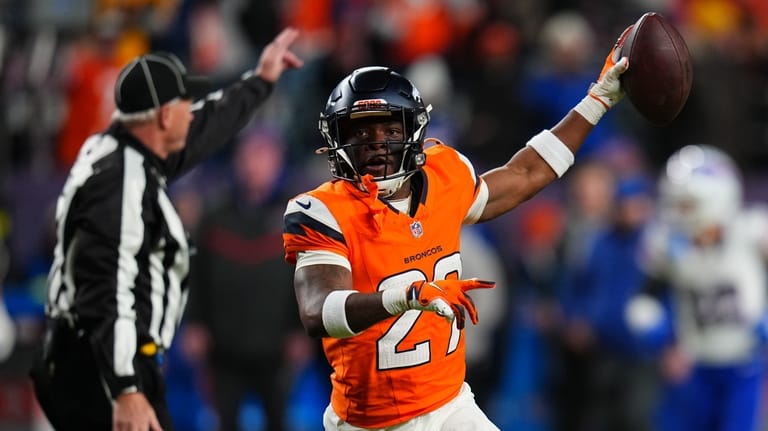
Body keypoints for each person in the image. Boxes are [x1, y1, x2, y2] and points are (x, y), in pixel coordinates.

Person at [282, 29, 631, 430]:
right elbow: (318, 312)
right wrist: (407, 296)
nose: (376, 145)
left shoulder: (444, 174)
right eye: (360, 133)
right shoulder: (323, 209)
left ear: (413, 132)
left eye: (390, 131)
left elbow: (526, 171)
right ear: (335, 139)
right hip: (370, 422)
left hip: (449, 405)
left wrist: (597, 101)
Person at [29, 28, 303, 431]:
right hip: (102, 369)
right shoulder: (118, 182)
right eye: (183, 102)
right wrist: (126, 389)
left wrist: (259, 82)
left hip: (99, 360)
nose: (190, 110)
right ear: (162, 115)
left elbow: (205, 126)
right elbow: (106, 289)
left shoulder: (127, 151)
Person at [626, 144, 768, 431]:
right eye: (677, 204)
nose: (679, 213)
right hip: (693, 363)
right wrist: (662, 340)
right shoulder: (667, 245)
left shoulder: (752, 232)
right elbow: (643, 302)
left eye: (687, 204)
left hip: (746, 361)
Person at [180, 126, 311, 431]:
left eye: (264, 155)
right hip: (223, 346)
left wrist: (301, 331)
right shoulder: (214, 216)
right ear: (238, 160)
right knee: (226, 422)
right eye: (250, 154)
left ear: (279, 161)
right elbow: (197, 274)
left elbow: (306, 276)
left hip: (276, 347)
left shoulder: (296, 215)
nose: (256, 164)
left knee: (278, 421)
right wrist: (194, 323)